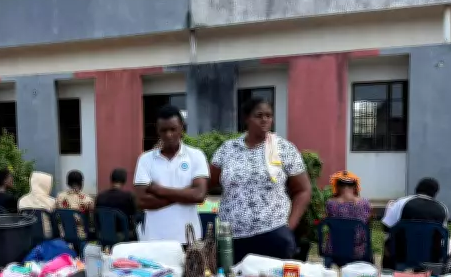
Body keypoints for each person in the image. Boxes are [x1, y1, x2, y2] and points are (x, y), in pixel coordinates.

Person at [210, 98, 311, 263]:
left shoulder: (283, 148)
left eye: (269, 116)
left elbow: (303, 190)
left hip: (273, 233)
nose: (265, 120)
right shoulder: (228, 149)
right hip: (233, 237)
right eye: (259, 115)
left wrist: (289, 226)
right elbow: (208, 183)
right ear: (246, 119)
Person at [133, 105, 209, 243]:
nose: (168, 135)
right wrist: (186, 194)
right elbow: (141, 201)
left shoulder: (196, 155)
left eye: (173, 129)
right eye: (164, 130)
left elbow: (199, 195)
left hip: (189, 238)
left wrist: (158, 190)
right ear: (157, 130)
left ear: (182, 128)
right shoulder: (145, 159)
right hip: (154, 238)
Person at [381, 177, 449, 269]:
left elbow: (386, 227)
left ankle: (387, 274)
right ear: (435, 193)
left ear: (417, 189)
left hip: (401, 257)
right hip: (430, 260)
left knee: (388, 240)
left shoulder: (401, 203)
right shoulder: (442, 208)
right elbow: (442, 234)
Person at [325, 170, 372, 261]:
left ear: (337, 187)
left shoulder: (330, 204)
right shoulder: (365, 203)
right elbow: (367, 222)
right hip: (359, 251)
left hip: (335, 250)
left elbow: (329, 222)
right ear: (355, 187)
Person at [95, 168, 137, 237]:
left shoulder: (100, 196)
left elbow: (96, 216)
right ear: (124, 180)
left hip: (104, 234)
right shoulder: (128, 197)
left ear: (111, 179)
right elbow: (134, 214)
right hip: (123, 234)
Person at [56, 170, 95, 239]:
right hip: (81, 235)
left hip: (63, 234)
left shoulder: (59, 197)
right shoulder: (87, 199)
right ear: (81, 182)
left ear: (68, 182)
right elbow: (92, 219)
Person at [18, 171, 56, 237]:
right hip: (46, 239)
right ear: (46, 184)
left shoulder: (22, 200)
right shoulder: (52, 201)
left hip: (26, 237)